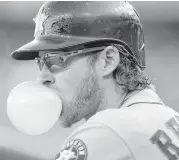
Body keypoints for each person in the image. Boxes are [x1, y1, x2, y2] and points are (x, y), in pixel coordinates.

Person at [11, 1, 179, 160]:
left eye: (55, 60)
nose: (42, 78)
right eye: (41, 63)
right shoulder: (167, 118)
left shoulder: (108, 129)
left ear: (108, 60)